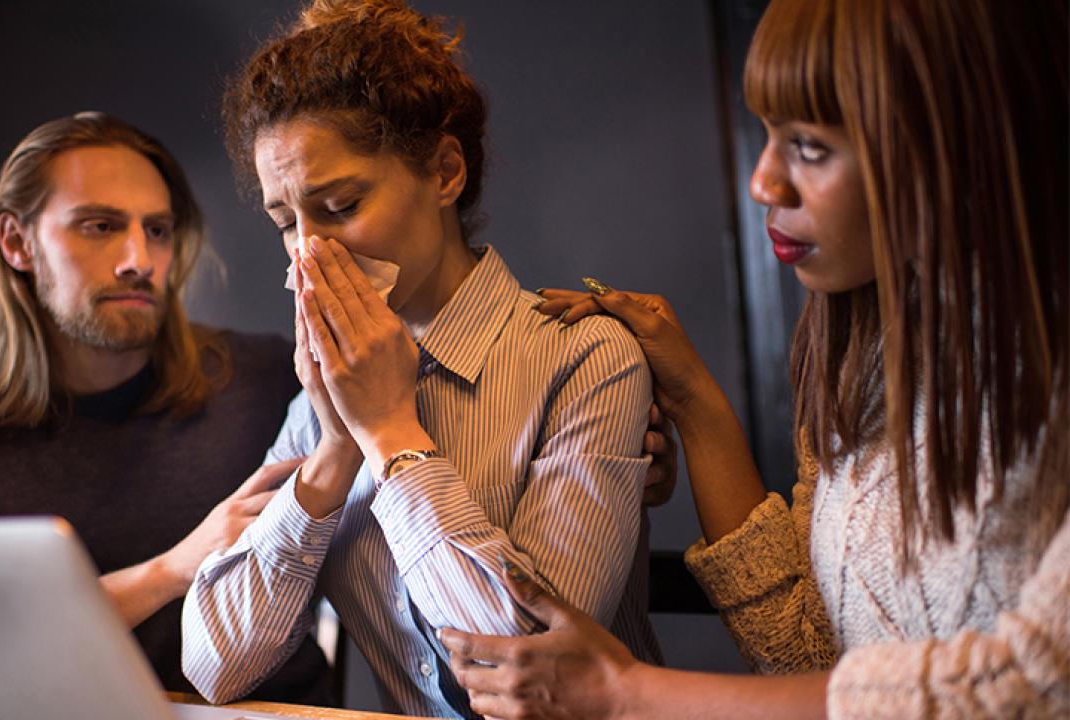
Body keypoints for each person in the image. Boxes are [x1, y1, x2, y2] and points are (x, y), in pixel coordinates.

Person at [441, 0, 1069, 717]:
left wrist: (623, 692)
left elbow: (1035, 686)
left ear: (963, 144)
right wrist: (694, 400)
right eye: (768, 135)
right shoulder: (867, 355)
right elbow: (806, 656)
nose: (763, 183)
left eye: (810, 146)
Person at [180, 1, 670, 716]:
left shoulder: (587, 359)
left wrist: (389, 434)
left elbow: (529, 669)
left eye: (341, 206)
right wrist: (335, 449)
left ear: (445, 172)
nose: (309, 255)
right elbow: (216, 667)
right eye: (286, 223)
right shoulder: (321, 401)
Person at [0, 111, 331, 703]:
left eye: (157, 230)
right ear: (16, 242)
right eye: (101, 226)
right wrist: (172, 570)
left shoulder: (268, 380)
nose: (139, 258)